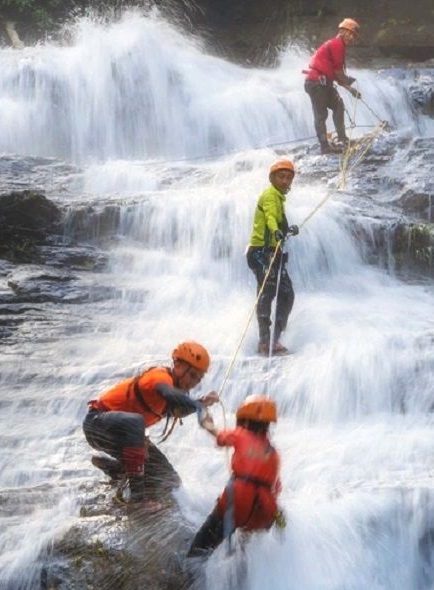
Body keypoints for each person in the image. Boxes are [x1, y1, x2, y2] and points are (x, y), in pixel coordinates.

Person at [83, 341, 219, 511]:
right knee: (136, 422)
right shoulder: (159, 377)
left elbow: (175, 409)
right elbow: (168, 393)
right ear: (177, 365)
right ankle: (137, 500)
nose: (193, 383)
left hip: (121, 435)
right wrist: (197, 405)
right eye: (191, 375)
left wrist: (202, 402)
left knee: (170, 479)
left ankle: (118, 471)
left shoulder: (172, 393)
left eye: (197, 379)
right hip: (98, 423)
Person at [187, 395, 281, 559]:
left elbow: (219, 435)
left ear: (244, 420)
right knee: (245, 550)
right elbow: (276, 487)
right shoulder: (273, 453)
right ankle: (243, 577)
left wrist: (206, 422)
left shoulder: (241, 435)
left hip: (238, 501)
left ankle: (189, 572)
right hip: (263, 511)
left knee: (201, 548)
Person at [246, 160, 299, 356]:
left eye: (288, 177)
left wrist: (288, 230)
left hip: (273, 253)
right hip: (261, 252)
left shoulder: (279, 199)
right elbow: (269, 217)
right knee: (267, 292)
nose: (285, 181)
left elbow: (276, 221)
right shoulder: (270, 196)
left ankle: (274, 337)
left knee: (286, 293)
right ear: (273, 178)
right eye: (281, 177)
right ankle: (264, 341)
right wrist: (276, 231)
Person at [303, 17, 361, 155]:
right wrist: (348, 82)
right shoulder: (336, 45)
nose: (352, 38)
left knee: (338, 105)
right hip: (316, 83)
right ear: (342, 32)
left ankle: (342, 139)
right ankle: (325, 146)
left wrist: (351, 89)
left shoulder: (338, 46)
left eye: (354, 35)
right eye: (350, 33)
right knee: (321, 115)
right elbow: (339, 73)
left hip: (323, 83)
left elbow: (336, 75)